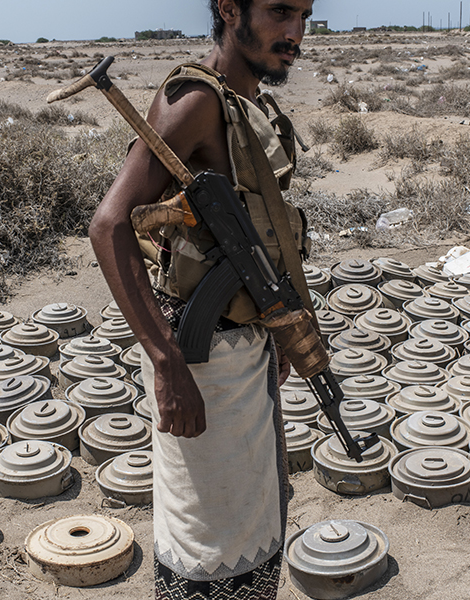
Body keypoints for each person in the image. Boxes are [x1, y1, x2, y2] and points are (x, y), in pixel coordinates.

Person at [89, 0, 313, 598]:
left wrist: (277, 329)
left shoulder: (247, 105)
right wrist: (166, 363)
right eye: (280, 11)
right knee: (206, 538)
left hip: (246, 349)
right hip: (200, 361)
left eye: (305, 16)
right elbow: (110, 226)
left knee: (252, 520)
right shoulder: (196, 101)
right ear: (230, 9)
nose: (294, 32)